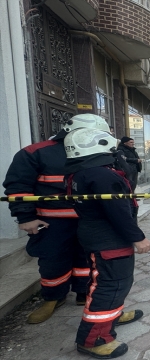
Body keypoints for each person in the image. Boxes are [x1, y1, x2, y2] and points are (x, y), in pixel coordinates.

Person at [1, 113, 112, 324]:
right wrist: (25, 217)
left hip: (88, 221)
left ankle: (82, 293)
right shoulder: (35, 153)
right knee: (52, 261)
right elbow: (18, 188)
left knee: (86, 260)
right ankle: (53, 298)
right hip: (51, 223)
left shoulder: (98, 151)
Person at [64, 128, 150, 359]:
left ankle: (113, 314)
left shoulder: (78, 172)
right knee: (112, 285)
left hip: (97, 236)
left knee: (107, 281)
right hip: (110, 240)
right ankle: (94, 339)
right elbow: (118, 212)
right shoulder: (101, 175)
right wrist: (138, 237)